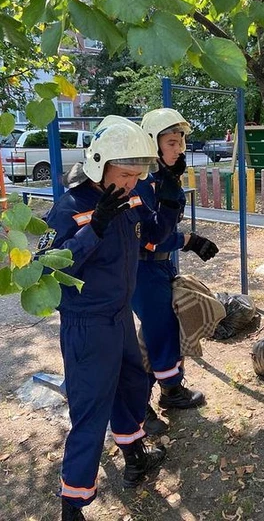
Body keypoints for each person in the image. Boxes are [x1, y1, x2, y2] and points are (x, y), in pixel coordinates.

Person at [47, 117, 183, 521]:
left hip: (119, 317)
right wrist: (96, 228)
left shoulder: (130, 198)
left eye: (136, 176)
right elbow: (48, 270)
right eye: (124, 175)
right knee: (90, 412)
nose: (129, 183)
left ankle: (135, 457)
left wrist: (171, 189)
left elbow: (155, 235)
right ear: (100, 164)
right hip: (86, 324)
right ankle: (72, 504)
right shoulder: (69, 208)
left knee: (132, 386)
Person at [132, 109, 219, 429]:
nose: (180, 148)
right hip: (142, 272)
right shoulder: (139, 185)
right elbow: (148, 238)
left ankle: (171, 391)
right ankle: (137, 408)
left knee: (169, 329)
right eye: (171, 142)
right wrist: (189, 240)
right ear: (153, 145)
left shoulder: (163, 179)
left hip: (160, 268)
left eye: (181, 140)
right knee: (154, 337)